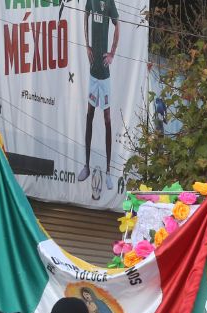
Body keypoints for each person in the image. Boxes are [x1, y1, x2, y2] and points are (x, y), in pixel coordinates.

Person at [77, 0, 121, 193]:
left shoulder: (109, 3)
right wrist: (86, 45)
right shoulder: (91, 1)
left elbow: (118, 25)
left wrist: (112, 52)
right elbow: (85, 17)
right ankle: (86, 165)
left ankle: (109, 172)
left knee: (107, 118)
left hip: (105, 75)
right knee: (89, 114)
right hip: (93, 73)